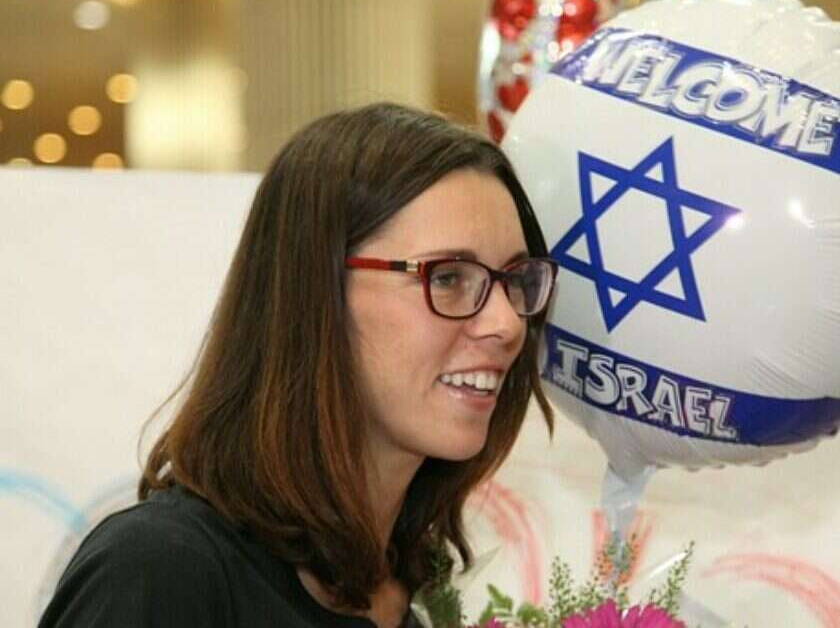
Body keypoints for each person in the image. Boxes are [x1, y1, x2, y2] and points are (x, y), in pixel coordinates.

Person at [38, 102, 557, 628]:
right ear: (314, 292)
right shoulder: (161, 573)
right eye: (447, 278)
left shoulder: (417, 601)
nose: (507, 323)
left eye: (516, 281)